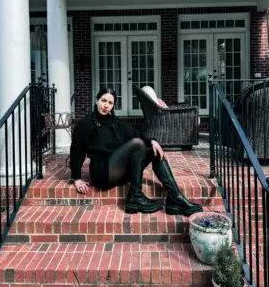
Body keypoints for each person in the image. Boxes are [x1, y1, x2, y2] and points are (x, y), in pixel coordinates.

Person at [70, 88, 203, 216]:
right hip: (102, 172)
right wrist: (76, 178)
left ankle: (175, 197)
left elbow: (136, 133)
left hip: (119, 171)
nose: (106, 105)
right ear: (96, 100)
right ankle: (135, 196)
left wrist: (152, 141)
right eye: (103, 101)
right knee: (137, 144)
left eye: (110, 103)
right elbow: (76, 151)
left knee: (153, 150)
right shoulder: (85, 124)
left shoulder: (115, 122)